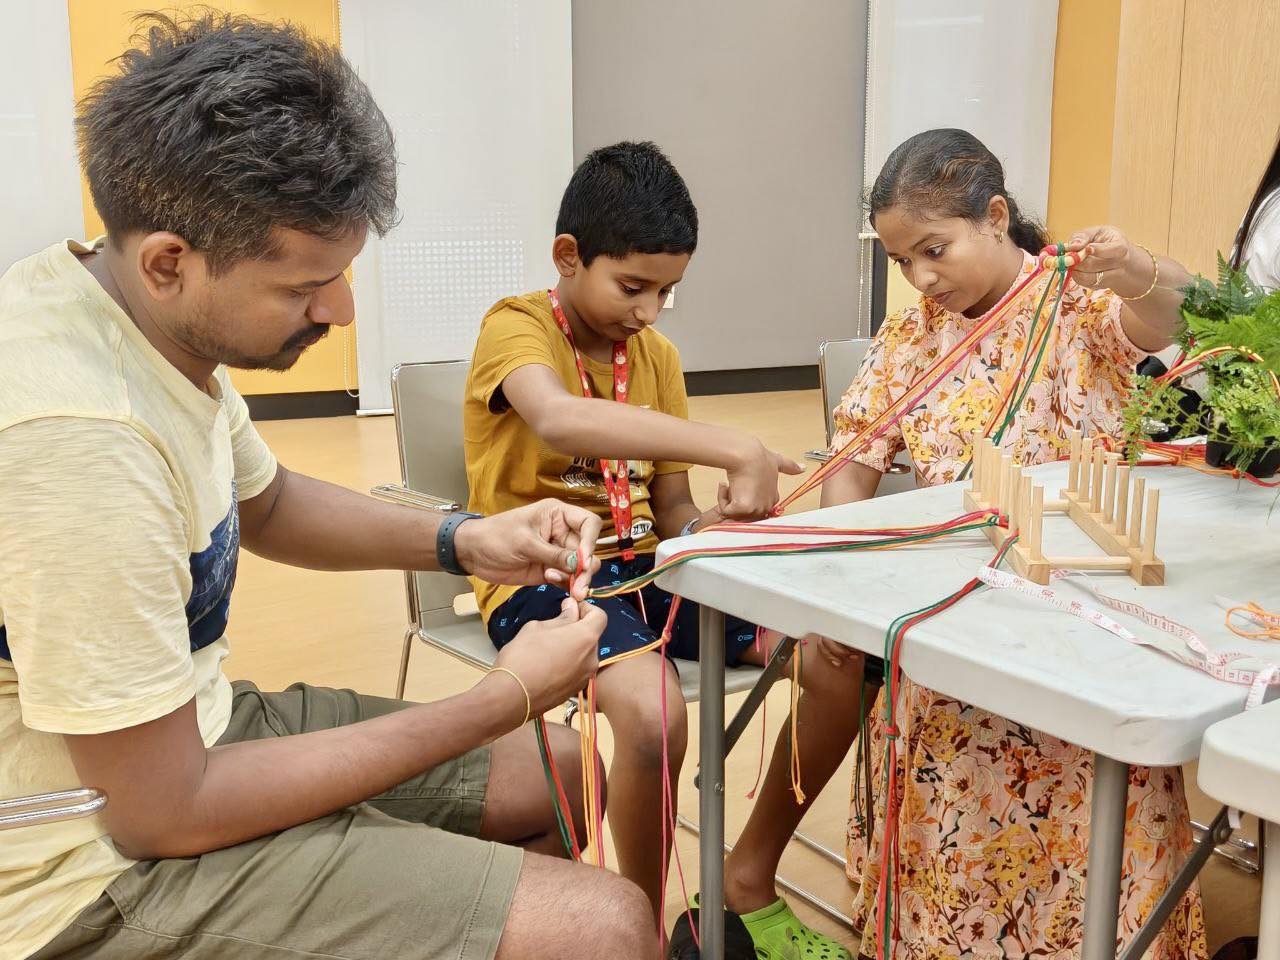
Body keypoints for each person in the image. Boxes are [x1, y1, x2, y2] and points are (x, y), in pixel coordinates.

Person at [0, 14, 660, 960]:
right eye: (303, 286)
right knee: (609, 927)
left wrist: (467, 540)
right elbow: (161, 814)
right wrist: (499, 697)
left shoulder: (123, 306)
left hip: (188, 736)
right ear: (169, 262)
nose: (340, 309)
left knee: (561, 773)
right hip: (80, 860)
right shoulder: (81, 440)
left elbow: (267, 503)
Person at [463, 140, 861, 960]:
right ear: (568, 256)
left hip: (648, 568)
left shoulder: (658, 359)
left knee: (838, 657)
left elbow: (670, 510)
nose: (648, 311)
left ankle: (747, 875)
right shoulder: (515, 326)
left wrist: (715, 532)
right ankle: (637, 931)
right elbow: (558, 420)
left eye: (666, 292)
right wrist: (731, 444)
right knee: (654, 716)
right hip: (545, 575)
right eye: (632, 287)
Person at [822, 129, 1205, 959]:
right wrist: (839, 579)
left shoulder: (1076, 305)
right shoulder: (914, 335)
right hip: (955, 620)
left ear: (995, 216)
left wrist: (1132, 267)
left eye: (934, 250)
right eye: (902, 260)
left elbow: (1176, 313)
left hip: (1086, 616)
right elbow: (852, 459)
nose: (921, 278)